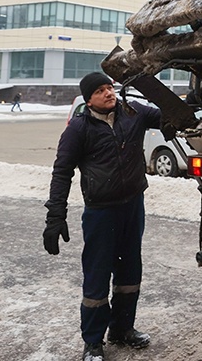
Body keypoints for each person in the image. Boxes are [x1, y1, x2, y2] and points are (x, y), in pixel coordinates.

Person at [44, 73, 161, 361]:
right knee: (97, 274)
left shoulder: (133, 112)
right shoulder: (78, 129)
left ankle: (122, 329)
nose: (108, 93)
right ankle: (93, 342)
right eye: (100, 90)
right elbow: (62, 172)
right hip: (101, 211)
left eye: (110, 87)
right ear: (89, 99)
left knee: (130, 270)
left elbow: (168, 117)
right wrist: (55, 215)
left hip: (133, 205)